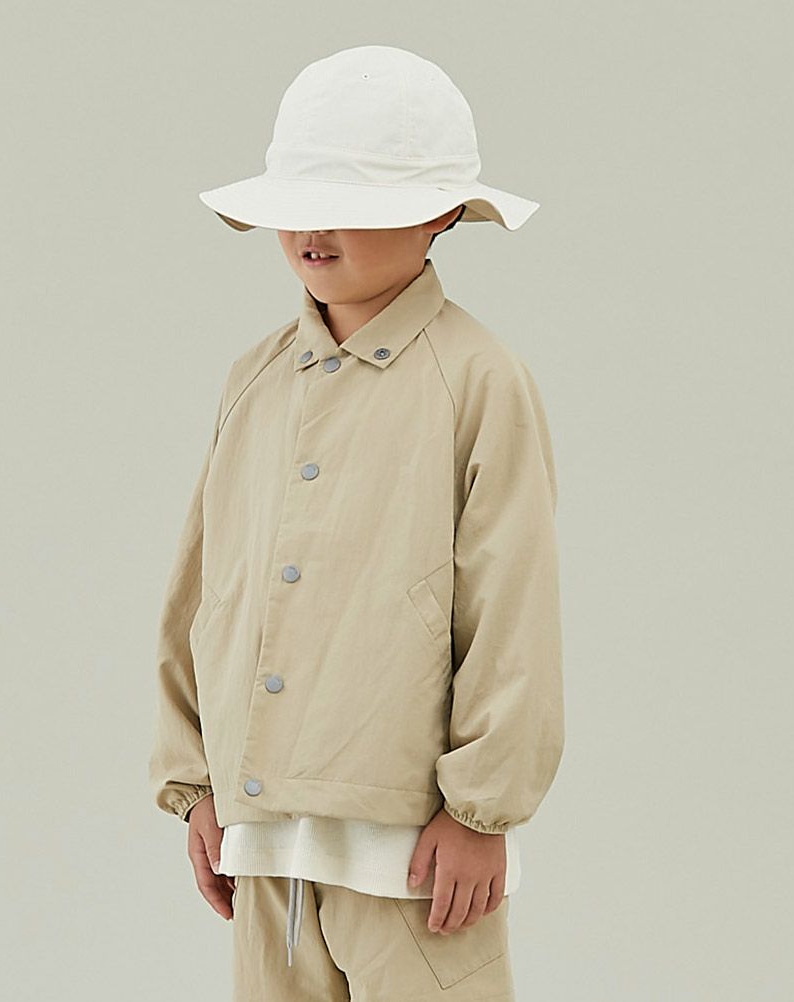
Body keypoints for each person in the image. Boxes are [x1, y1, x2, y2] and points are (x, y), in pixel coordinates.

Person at [148, 44, 564, 1001]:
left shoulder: (478, 380)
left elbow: (512, 609)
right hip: (263, 836)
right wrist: (196, 782)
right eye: (299, 202)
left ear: (441, 214)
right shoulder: (256, 379)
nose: (314, 228)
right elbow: (205, 591)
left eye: (352, 203)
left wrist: (483, 811)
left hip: (414, 852)